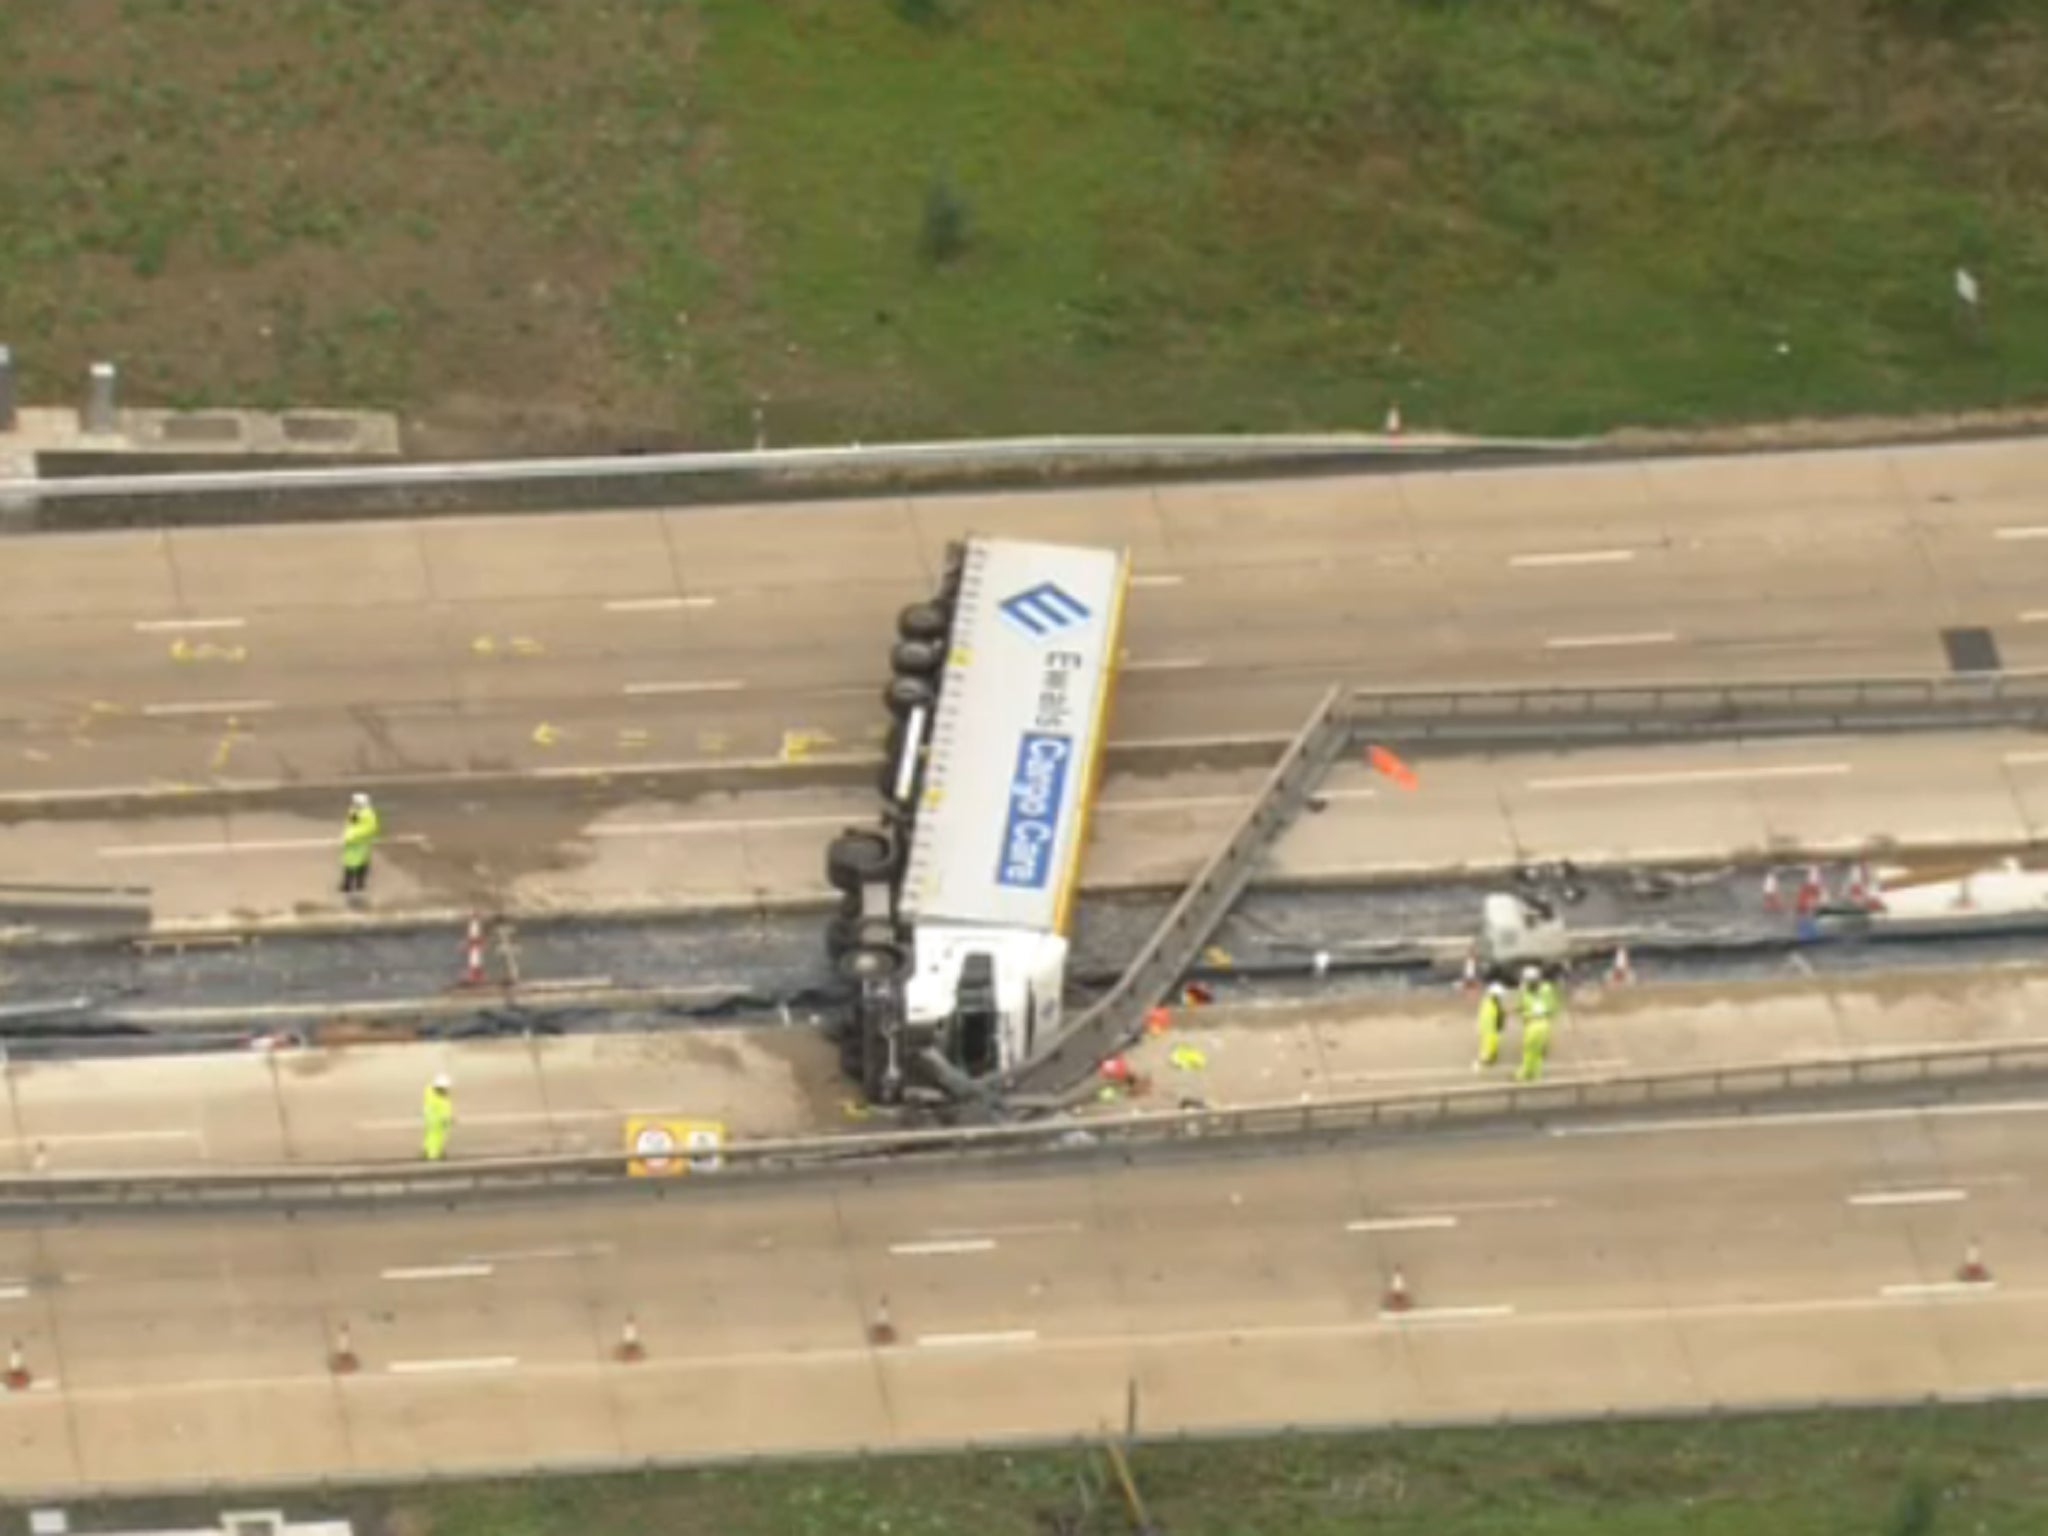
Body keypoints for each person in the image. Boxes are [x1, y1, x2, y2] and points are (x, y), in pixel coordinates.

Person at [1516, 965, 1559, 1083]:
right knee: (1537, 1050)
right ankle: (1535, 1074)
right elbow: (1552, 1006)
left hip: (1534, 1022)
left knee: (1529, 1049)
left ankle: (1525, 1073)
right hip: (1541, 1021)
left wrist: (1524, 1014)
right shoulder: (1545, 988)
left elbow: (1521, 1006)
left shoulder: (1528, 990)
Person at [340, 792, 381, 895]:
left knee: (359, 864)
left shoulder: (368, 814)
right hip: (352, 842)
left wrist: (353, 835)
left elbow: (370, 828)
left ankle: (357, 884)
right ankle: (350, 884)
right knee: (350, 863)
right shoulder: (355, 810)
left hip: (360, 842)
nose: (354, 803)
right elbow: (351, 822)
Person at [1474, 980, 1509, 1071]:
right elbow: (1488, 1019)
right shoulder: (1489, 1003)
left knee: (1493, 1043)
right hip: (1490, 1028)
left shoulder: (1493, 1002)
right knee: (1489, 1044)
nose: (1500, 997)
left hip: (1494, 1027)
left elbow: (1498, 1013)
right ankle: (1487, 1058)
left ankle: (1491, 1056)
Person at [422, 1072, 455, 1161]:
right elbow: (443, 1112)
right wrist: (448, 1119)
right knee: (436, 1139)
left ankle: (427, 1151)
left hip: (432, 1121)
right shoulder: (439, 1098)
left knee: (429, 1137)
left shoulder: (430, 1092)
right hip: (437, 1122)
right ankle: (433, 1155)